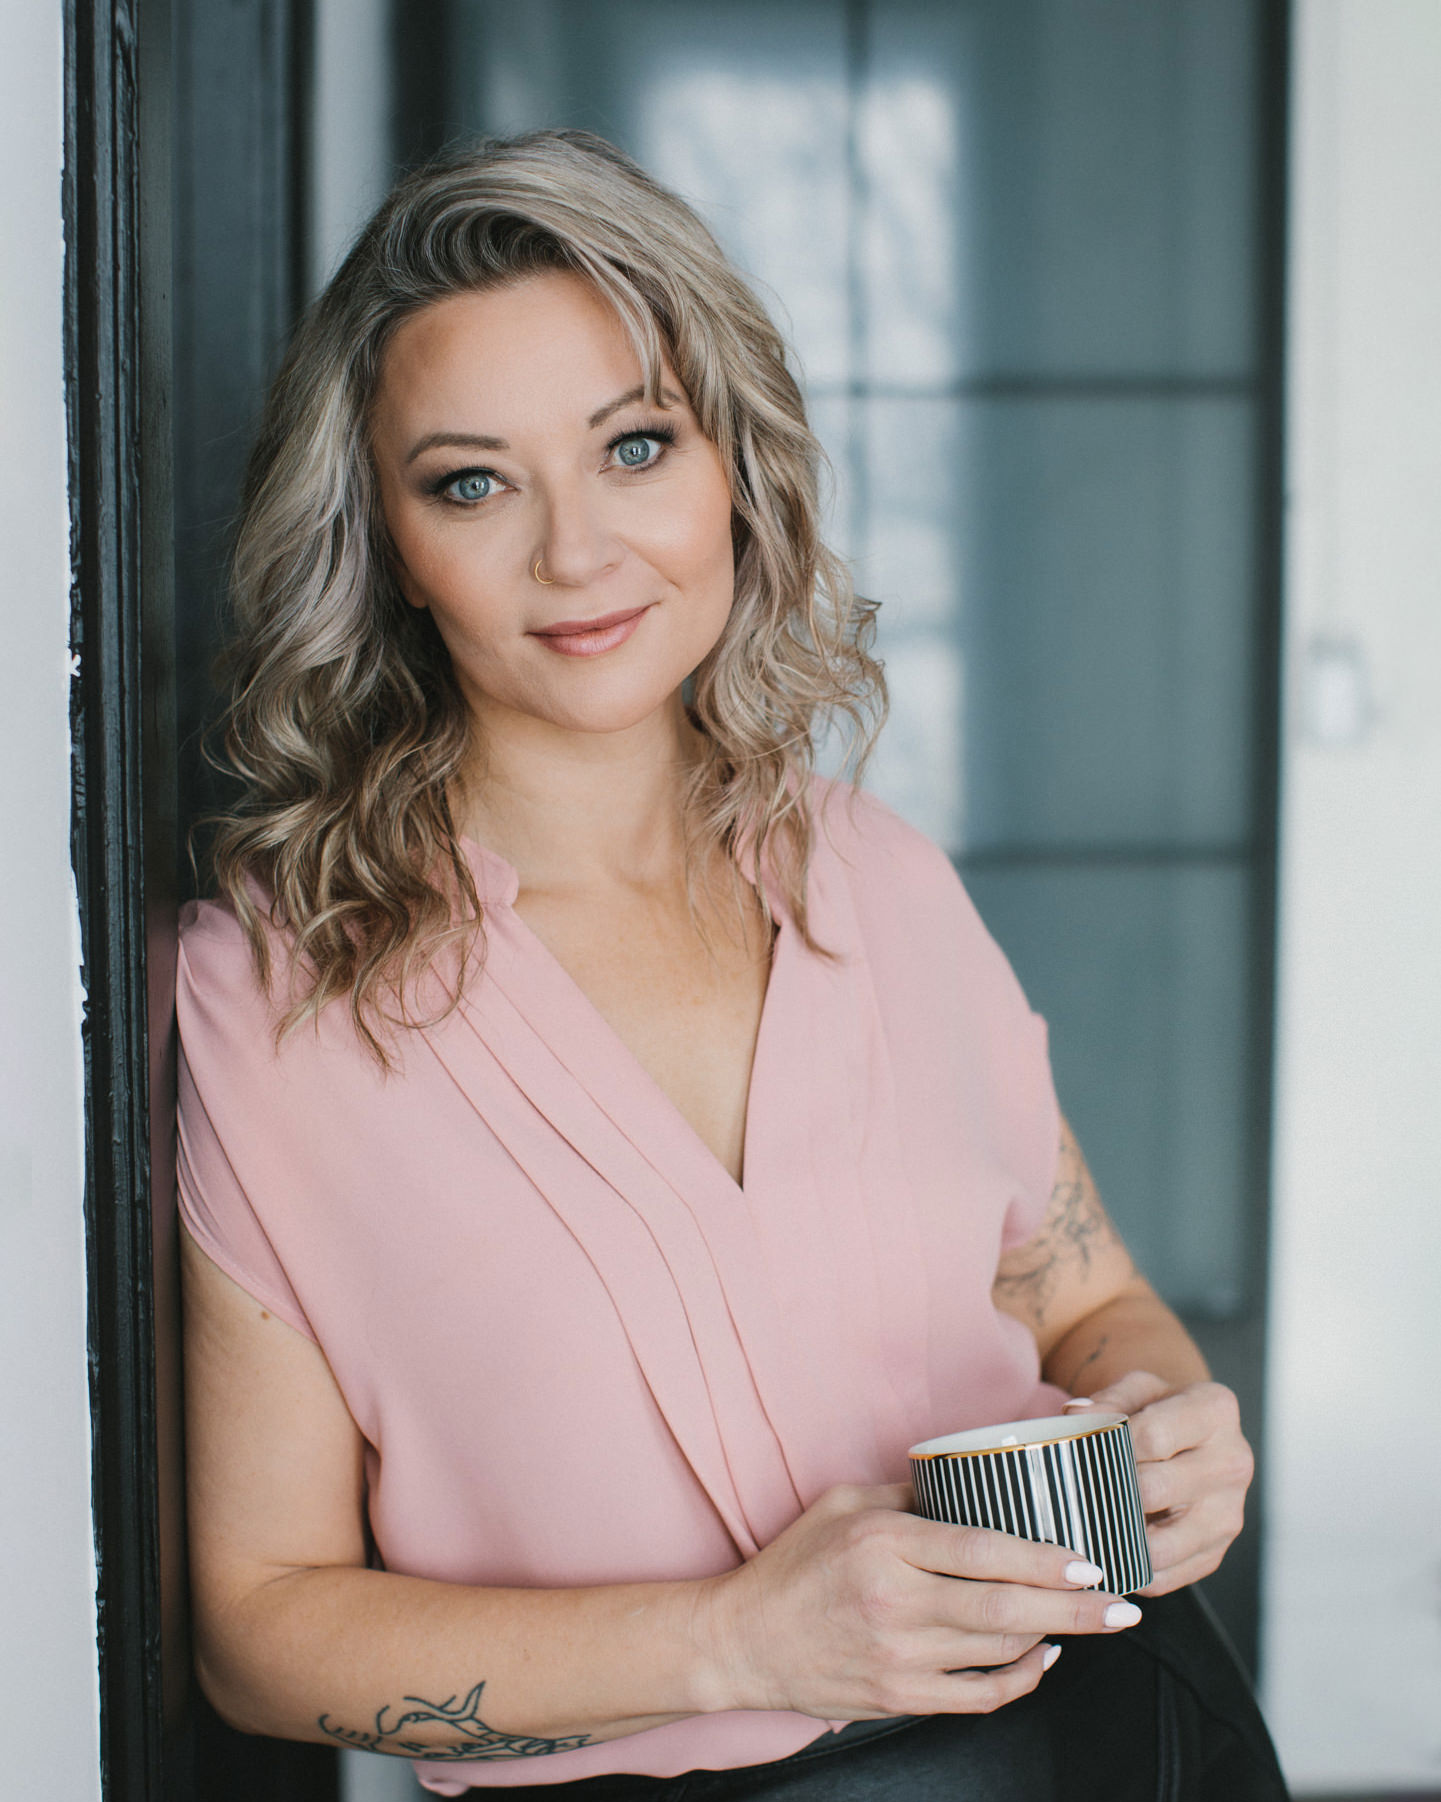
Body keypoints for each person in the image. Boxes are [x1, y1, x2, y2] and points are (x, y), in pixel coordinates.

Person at [176, 130, 1288, 1799]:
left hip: (1111, 1743)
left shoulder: (874, 876)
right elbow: (256, 1633)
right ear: (388, 541)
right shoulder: (271, 997)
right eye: (471, 480)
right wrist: (735, 1642)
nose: (578, 553)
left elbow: (1090, 1300)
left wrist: (1168, 1424)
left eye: (635, 446)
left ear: (733, 467)